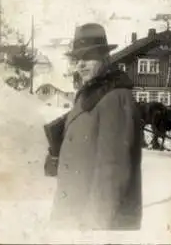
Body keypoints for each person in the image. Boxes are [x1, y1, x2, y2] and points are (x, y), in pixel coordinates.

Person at [45, 23, 143, 231]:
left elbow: (113, 171)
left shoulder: (115, 97)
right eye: (77, 59)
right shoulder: (90, 94)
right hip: (73, 213)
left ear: (104, 58)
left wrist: (94, 227)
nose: (80, 65)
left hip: (94, 223)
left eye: (87, 57)